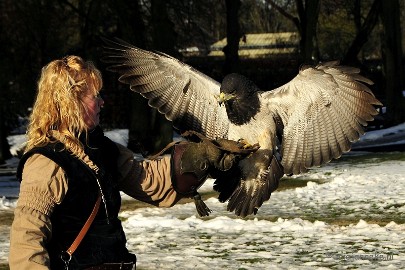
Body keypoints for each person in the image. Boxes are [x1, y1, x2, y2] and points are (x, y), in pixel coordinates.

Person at [9, 55, 248, 269]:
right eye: (96, 96)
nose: (102, 102)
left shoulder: (103, 149)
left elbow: (149, 180)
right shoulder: (46, 162)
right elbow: (27, 238)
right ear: (71, 101)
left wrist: (200, 157)